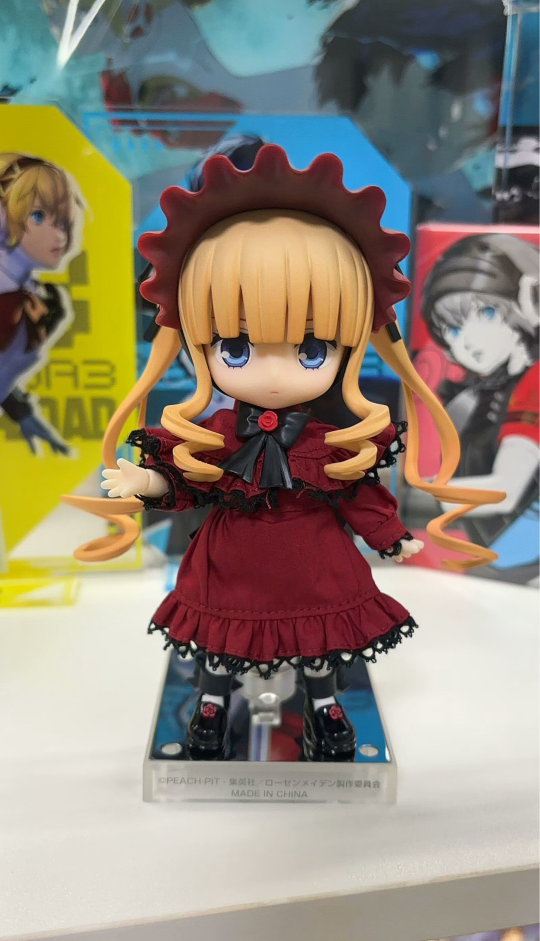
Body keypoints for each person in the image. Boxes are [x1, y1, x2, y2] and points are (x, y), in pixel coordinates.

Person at [64, 146, 503, 761]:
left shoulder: (330, 443)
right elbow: (189, 480)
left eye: (311, 348)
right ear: (195, 342)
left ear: (351, 344)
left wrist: (390, 537)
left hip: (315, 568)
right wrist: (150, 484)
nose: (272, 374)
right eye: (236, 347)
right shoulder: (216, 433)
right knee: (220, 643)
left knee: (320, 646)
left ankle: (324, 708)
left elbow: (357, 494)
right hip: (231, 568)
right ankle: (211, 705)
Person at [421, 234, 539, 566]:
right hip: (495, 555)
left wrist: (419, 496)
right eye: (453, 332)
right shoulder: (481, 393)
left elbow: (506, 491)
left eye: (486, 313)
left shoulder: (534, 382)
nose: (467, 342)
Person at [0, 153, 84, 455]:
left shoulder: (34, 297)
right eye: (38, 216)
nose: (59, 235)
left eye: (62, 221)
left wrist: (21, 412)